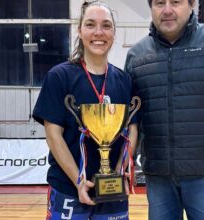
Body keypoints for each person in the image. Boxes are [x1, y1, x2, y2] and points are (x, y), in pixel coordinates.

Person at [124, 0, 204, 219]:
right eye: (159, 3)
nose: (167, 10)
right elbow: (133, 118)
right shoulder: (137, 54)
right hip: (158, 176)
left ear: (192, 4)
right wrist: (125, 163)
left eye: (175, 2)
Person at [32, 1, 138, 219]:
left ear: (114, 33)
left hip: (112, 195)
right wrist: (79, 181)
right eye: (90, 25)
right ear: (79, 31)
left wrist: (118, 174)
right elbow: (54, 136)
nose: (98, 32)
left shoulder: (125, 80)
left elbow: (132, 131)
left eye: (106, 25)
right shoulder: (59, 76)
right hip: (67, 189)